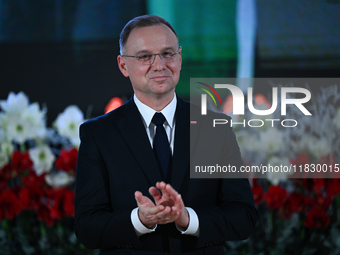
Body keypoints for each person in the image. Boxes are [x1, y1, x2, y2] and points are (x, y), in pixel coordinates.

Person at [74, 15, 257, 255]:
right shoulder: (98, 134)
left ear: (179, 58)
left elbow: (243, 216)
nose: (159, 65)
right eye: (144, 56)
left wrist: (187, 219)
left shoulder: (216, 127)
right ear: (123, 65)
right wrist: (140, 220)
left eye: (168, 53)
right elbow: (87, 227)